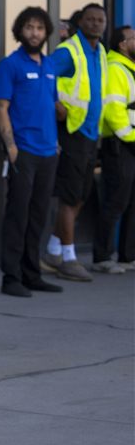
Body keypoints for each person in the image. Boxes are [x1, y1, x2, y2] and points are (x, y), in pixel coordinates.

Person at [0, 7, 74, 297]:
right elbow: (1, 107)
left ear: (46, 33)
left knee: (39, 214)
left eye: (39, 28)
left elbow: (53, 106)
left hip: (48, 152)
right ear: (20, 31)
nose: (35, 33)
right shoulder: (10, 65)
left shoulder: (50, 65)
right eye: (29, 27)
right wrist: (11, 147)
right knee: (18, 214)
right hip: (23, 151)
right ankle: (11, 278)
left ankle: (32, 274)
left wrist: (55, 141)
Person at [43, 3, 108, 282]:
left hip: (91, 134)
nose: (96, 24)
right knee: (70, 197)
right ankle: (68, 258)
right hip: (72, 132)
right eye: (91, 19)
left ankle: (54, 249)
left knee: (81, 195)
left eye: (100, 20)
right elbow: (45, 75)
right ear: (80, 22)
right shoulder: (70, 50)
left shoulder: (101, 51)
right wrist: (55, 102)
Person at [91, 25, 135, 272]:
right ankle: (102, 257)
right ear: (122, 44)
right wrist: (130, 136)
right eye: (134, 38)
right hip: (121, 144)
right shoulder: (117, 69)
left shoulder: (130, 69)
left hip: (131, 143)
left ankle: (128, 256)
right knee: (116, 202)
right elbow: (114, 109)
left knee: (131, 202)